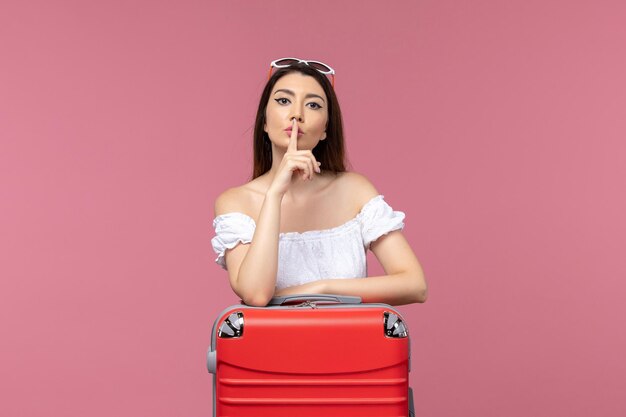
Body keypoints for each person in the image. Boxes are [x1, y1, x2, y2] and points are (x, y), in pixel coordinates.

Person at [211, 57, 428, 307]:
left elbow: (415, 285)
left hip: (350, 344)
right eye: (283, 101)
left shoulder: (354, 190)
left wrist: (320, 289)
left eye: (313, 105)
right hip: (272, 346)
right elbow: (257, 294)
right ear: (264, 123)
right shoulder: (235, 202)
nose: (297, 114)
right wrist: (274, 195)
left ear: (326, 128)